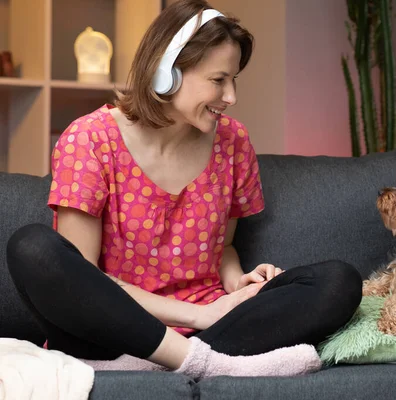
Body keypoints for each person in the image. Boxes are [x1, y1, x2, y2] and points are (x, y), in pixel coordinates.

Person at [5, 0, 362, 380]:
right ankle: (204, 363)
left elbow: (222, 248)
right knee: (31, 247)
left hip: (211, 326)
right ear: (165, 73)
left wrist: (237, 282)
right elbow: (83, 276)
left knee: (339, 281)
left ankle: (169, 361)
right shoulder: (90, 139)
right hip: (110, 331)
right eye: (218, 80)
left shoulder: (233, 141)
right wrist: (199, 314)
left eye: (234, 80)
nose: (231, 97)